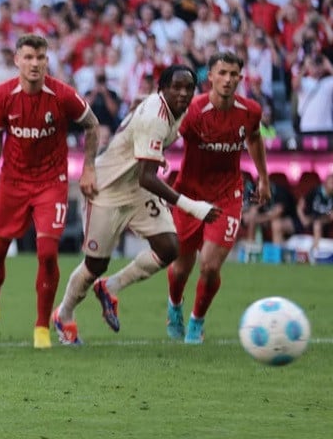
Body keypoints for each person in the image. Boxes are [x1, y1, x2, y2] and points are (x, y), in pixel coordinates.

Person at [52, 65, 221, 343]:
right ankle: (64, 314)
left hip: (136, 187)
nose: (182, 93)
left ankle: (110, 287)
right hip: (107, 189)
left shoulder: (177, 110)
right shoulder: (155, 117)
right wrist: (194, 206)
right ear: (162, 90)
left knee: (168, 248)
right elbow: (147, 177)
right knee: (95, 264)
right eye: (175, 87)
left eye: (188, 88)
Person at [0, 33, 100, 349]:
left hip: (51, 184)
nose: (34, 64)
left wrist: (89, 167)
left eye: (40, 58)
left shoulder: (63, 96)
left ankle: (41, 326)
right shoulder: (1, 96)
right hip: (12, 183)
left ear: (47, 60)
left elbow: (92, 125)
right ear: (17, 60)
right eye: (28, 57)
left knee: (48, 253)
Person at [166, 52, 271, 344]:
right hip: (189, 195)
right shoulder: (193, 110)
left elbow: (254, 138)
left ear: (240, 77)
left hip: (227, 195)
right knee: (180, 268)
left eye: (233, 74)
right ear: (209, 76)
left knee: (210, 266)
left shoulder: (250, 111)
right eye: (222, 73)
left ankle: (196, 322)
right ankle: (174, 305)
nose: (228, 80)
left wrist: (263, 177)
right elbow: (168, 135)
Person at [297, 173, 333, 255]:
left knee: (317, 224)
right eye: (332, 183)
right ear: (325, 184)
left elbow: (331, 216)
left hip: (325, 222)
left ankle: (315, 254)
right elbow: (300, 205)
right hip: (310, 220)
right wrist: (303, 219)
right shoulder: (315, 191)